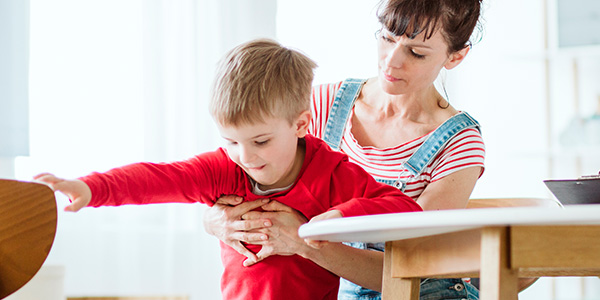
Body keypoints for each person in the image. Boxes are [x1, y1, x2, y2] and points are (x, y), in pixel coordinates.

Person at [35, 38, 422, 300]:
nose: (245, 156)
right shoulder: (224, 169)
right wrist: (90, 188)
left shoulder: (331, 172)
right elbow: (157, 178)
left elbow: (404, 209)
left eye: (261, 141)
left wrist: (330, 220)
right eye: (230, 140)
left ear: (301, 125)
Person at [202, 0, 487, 299]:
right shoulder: (319, 107)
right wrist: (215, 221)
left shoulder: (459, 142)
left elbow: (410, 267)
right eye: (387, 38)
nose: (391, 61)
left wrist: (303, 241)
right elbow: (236, 177)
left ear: (456, 56)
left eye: (416, 52)